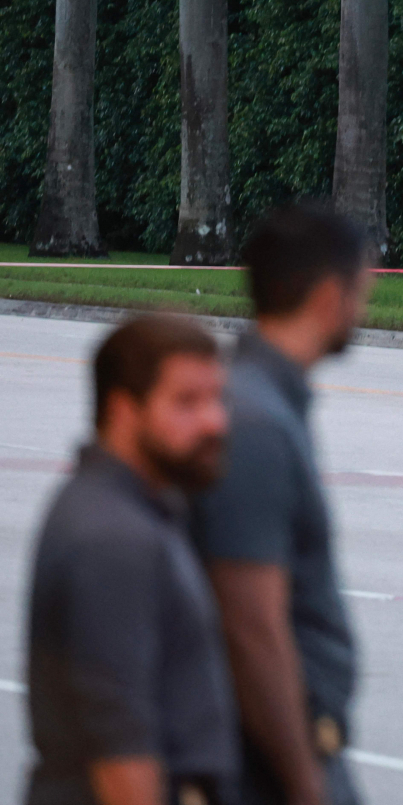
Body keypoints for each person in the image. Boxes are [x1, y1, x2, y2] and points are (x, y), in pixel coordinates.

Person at [191, 204, 374, 805]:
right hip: (268, 767)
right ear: (328, 298)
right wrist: (305, 782)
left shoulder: (260, 401)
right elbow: (254, 627)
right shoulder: (257, 424)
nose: (362, 310)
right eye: (360, 291)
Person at [25, 316, 238, 805]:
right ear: (124, 410)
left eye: (216, 398)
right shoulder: (112, 540)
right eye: (187, 402)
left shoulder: (139, 510)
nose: (215, 422)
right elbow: (121, 751)